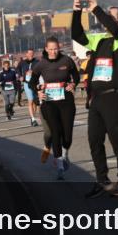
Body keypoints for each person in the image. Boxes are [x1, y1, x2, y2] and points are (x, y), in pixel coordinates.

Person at [73, 0, 118, 198]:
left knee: (117, 138)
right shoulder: (100, 40)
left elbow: (113, 28)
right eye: (106, 14)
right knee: (94, 140)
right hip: (97, 98)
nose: (106, 18)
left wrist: (96, 9)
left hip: (113, 97)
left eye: (112, 15)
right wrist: (76, 13)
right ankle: (102, 180)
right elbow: (77, 35)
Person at [29, 37, 81, 179]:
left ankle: (65, 154)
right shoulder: (41, 64)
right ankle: (59, 165)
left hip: (66, 101)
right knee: (56, 133)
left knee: (67, 135)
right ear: (46, 49)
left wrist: (73, 84)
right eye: (50, 49)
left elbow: (76, 75)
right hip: (49, 102)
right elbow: (31, 82)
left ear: (59, 48)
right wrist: (38, 90)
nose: (53, 52)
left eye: (55, 49)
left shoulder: (67, 60)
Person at [17, 49, 40, 127]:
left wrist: (33, 72)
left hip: (35, 83)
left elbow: (40, 70)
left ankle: (32, 116)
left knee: (35, 101)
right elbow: (17, 69)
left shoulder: (37, 62)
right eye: (29, 53)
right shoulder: (22, 62)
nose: (30, 55)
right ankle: (33, 119)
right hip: (27, 84)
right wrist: (20, 76)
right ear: (26, 54)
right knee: (30, 101)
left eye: (32, 53)